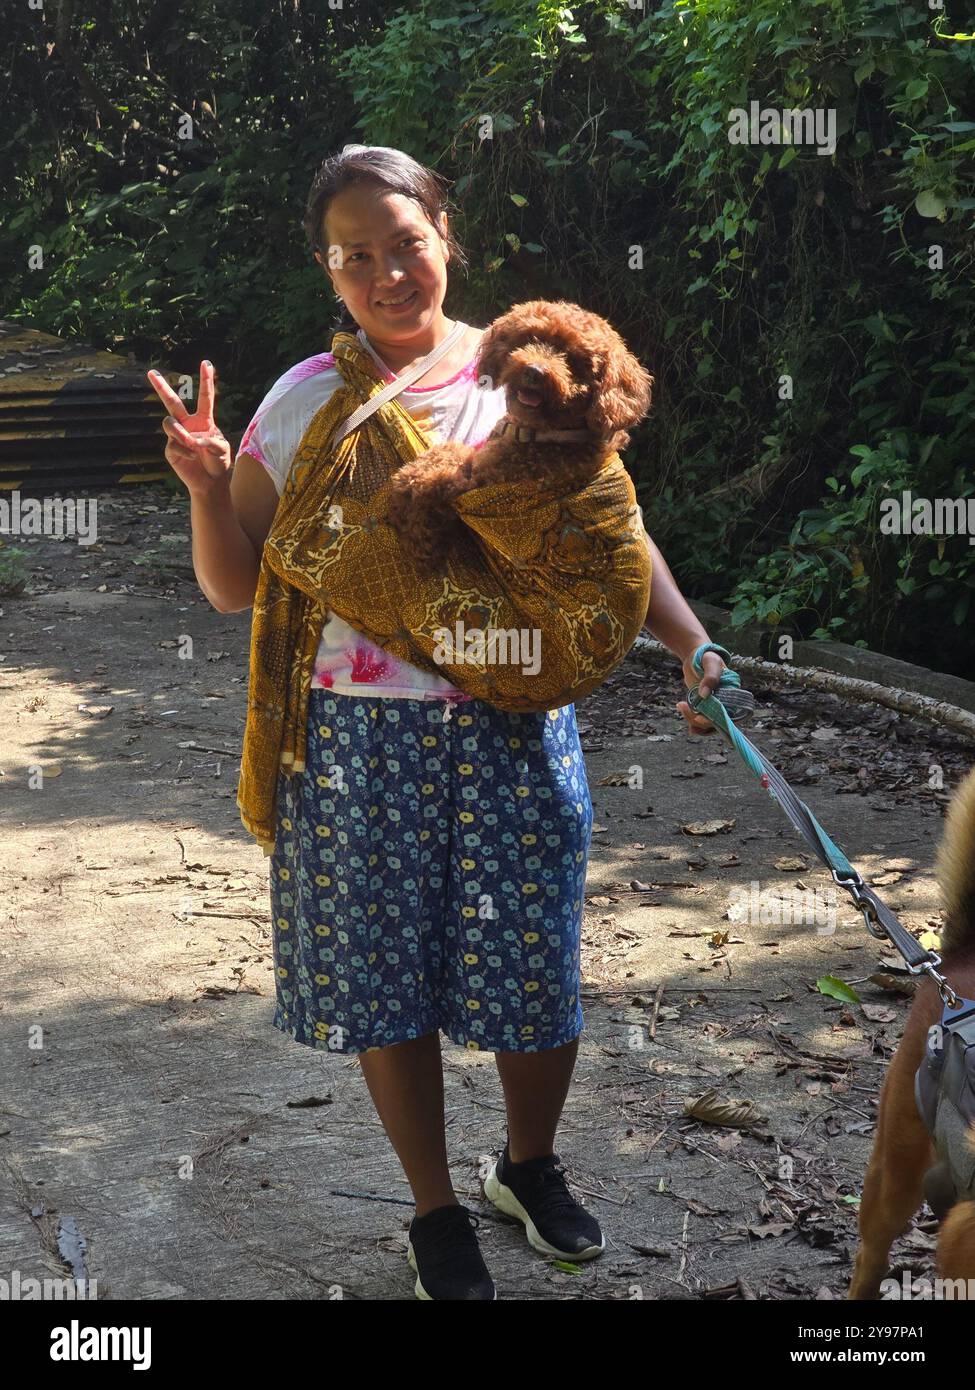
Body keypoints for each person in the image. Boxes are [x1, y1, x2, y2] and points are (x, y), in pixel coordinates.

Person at [148, 144, 727, 1300]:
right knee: (383, 980)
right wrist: (212, 490)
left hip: (514, 722)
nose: (386, 272)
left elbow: (610, 539)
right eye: (355, 254)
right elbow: (234, 586)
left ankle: (529, 1165)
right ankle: (434, 1207)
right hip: (355, 738)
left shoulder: (527, 375)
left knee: (533, 966)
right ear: (330, 271)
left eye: (404, 243)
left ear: (446, 239)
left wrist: (690, 640)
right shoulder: (307, 400)